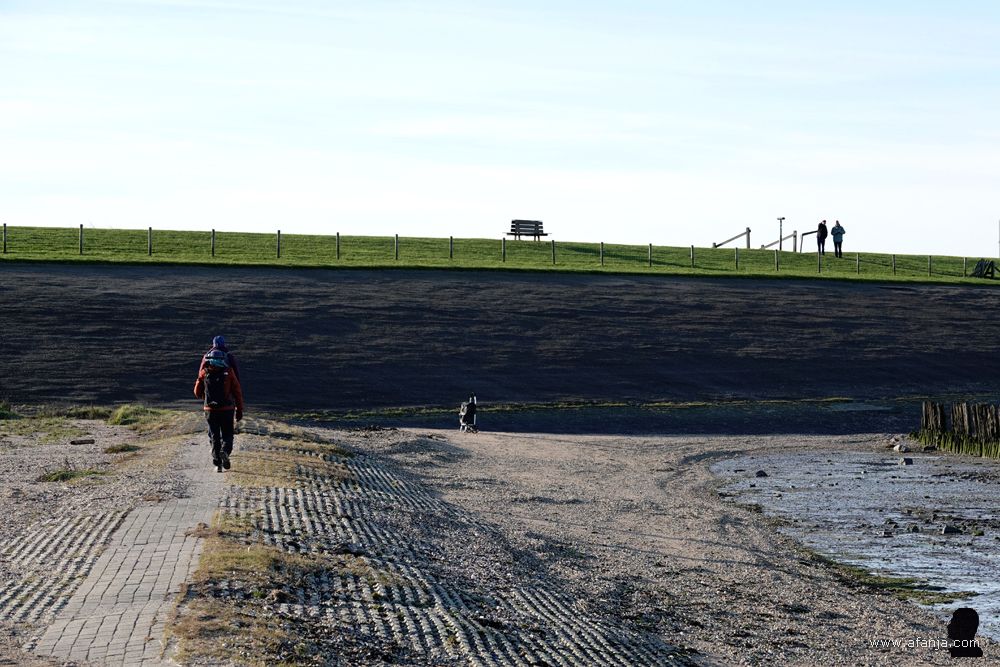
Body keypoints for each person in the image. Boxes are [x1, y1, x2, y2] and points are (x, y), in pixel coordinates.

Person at [193, 349, 245, 472]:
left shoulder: (204, 373)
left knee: (214, 435)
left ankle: (218, 464)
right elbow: (237, 392)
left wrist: (205, 397)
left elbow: (196, 392)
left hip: (210, 410)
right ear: (223, 360)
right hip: (227, 409)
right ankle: (225, 451)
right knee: (227, 434)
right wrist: (239, 410)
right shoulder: (229, 372)